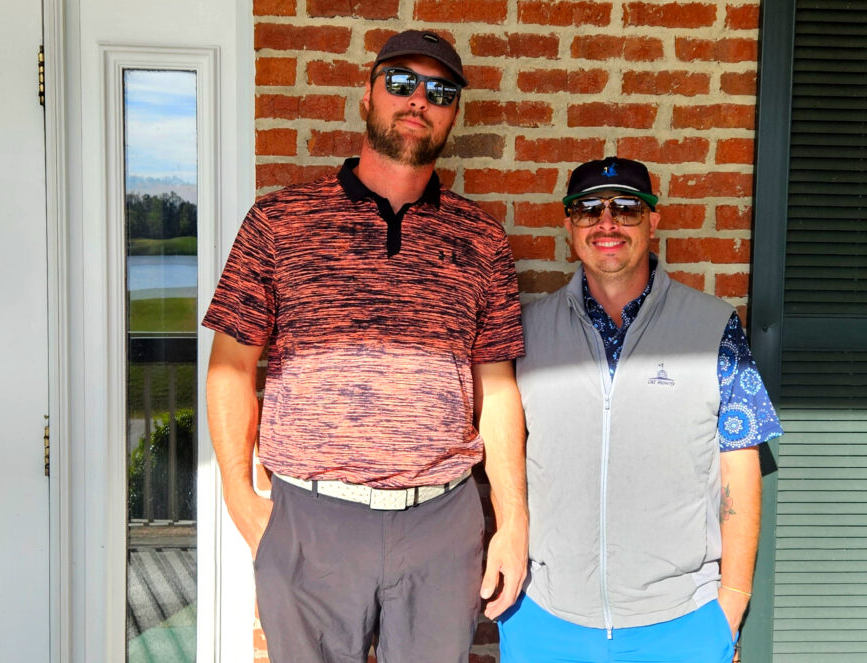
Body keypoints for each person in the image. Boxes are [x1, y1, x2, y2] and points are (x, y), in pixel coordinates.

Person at [203, 29, 528, 663]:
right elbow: (231, 367)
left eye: (440, 91)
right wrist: (240, 499)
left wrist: (511, 521)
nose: (419, 101)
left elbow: (499, 390)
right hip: (311, 519)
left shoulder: (481, 241)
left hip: (441, 520)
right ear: (368, 95)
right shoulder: (278, 222)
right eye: (401, 83)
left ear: (454, 112)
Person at [499, 157, 782, 663]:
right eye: (588, 209)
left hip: (681, 623)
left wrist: (731, 604)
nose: (607, 223)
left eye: (626, 208)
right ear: (569, 225)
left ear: (653, 220)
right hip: (545, 619)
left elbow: (741, 466)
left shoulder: (713, 326)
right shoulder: (527, 330)